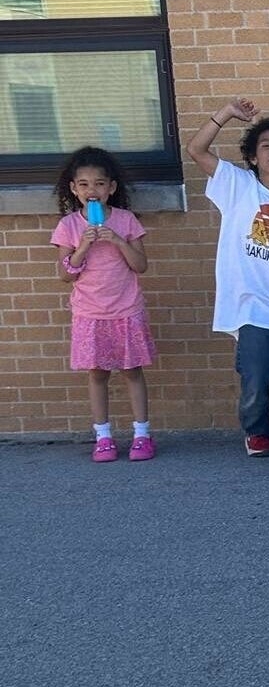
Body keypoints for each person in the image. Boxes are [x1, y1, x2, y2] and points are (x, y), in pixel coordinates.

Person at [185, 98, 269, 457]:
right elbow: (196, 149)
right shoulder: (237, 184)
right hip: (250, 305)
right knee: (256, 376)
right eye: (266, 146)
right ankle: (257, 432)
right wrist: (226, 113)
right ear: (254, 157)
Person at [50, 147, 157, 462]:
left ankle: (142, 435)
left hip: (126, 309)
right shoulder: (68, 226)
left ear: (111, 187)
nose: (91, 190)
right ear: (73, 189)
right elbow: (64, 274)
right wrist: (82, 247)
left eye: (98, 183)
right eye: (83, 184)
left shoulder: (125, 220)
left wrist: (118, 241)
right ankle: (104, 436)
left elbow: (140, 266)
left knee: (132, 370)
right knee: (97, 374)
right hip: (89, 312)